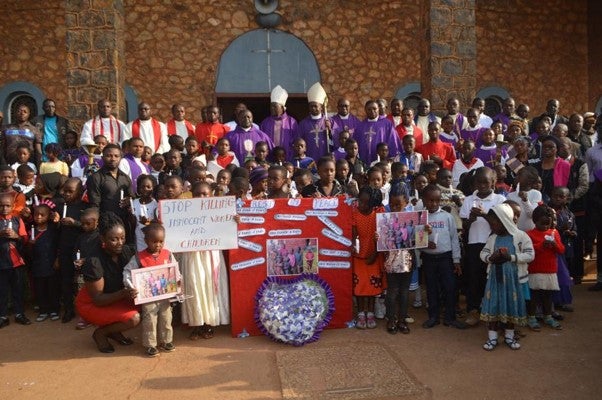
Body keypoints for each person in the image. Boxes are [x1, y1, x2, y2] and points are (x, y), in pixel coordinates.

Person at [75, 212, 140, 353]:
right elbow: (98, 299)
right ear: (102, 238)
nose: (120, 243)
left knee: (146, 302)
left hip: (115, 297)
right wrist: (124, 293)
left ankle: (114, 331)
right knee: (134, 318)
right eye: (114, 239)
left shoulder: (127, 251)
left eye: (122, 238)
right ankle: (101, 333)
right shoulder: (94, 261)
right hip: (92, 303)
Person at [479, 203, 534, 351]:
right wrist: (491, 258)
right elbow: (483, 253)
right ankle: (492, 338)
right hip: (495, 281)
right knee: (493, 308)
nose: (492, 226)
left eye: (494, 223)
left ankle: (509, 337)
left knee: (511, 307)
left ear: (505, 220)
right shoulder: (493, 238)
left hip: (513, 281)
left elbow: (530, 254)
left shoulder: (520, 236)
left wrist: (511, 257)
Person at [459, 167, 506, 326]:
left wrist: (484, 214)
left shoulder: (499, 200)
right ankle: (473, 310)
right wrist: (472, 218)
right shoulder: (468, 200)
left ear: (493, 182)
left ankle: (492, 311)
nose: (483, 184)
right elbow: (464, 226)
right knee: (474, 277)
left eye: (486, 181)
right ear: (474, 183)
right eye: (479, 181)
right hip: (474, 244)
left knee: (492, 277)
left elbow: (501, 225)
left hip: (493, 244)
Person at [123, 223, 177, 357]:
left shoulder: (167, 254)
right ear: (146, 241)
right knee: (150, 320)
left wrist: (178, 280)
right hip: (148, 297)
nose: (158, 245)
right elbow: (127, 272)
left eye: (161, 241)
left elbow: (175, 269)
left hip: (164, 295)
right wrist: (131, 286)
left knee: (166, 318)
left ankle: (166, 341)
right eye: (154, 241)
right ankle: (150, 345)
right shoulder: (139, 257)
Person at [419, 184, 465, 329]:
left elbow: (454, 239)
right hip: (428, 258)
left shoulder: (447, 217)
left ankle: (450, 317)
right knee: (432, 288)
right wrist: (425, 244)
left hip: (446, 257)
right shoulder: (420, 217)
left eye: (437, 201)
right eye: (430, 201)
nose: (433, 204)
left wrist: (456, 260)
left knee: (450, 287)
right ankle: (433, 317)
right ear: (424, 200)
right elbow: (416, 239)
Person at [526, 205, 565, 331]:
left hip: (550, 270)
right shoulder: (529, 234)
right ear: (534, 221)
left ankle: (547, 316)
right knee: (534, 296)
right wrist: (541, 245)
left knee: (547, 296)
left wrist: (554, 245)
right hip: (535, 270)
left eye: (548, 224)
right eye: (542, 223)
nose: (546, 227)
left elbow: (561, 250)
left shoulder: (554, 233)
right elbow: (529, 251)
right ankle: (531, 317)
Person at [87, 144, 135, 244]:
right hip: (105, 223)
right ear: (102, 157)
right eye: (109, 156)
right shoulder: (96, 178)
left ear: (121, 158)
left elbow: (132, 197)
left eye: (116, 156)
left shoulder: (125, 177)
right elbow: (94, 204)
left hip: (124, 223)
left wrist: (129, 200)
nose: (113, 159)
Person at [352, 186, 384, 329]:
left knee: (372, 286)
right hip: (358, 257)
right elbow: (353, 235)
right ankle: (360, 313)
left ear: (374, 204)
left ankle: (370, 312)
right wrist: (353, 245)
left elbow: (383, 237)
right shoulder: (354, 213)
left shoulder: (379, 214)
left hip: (374, 255)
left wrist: (374, 254)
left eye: (366, 203)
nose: (362, 205)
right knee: (359, 287)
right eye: (360, 201)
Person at [383, 183, 413, 334]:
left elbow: (417, 238)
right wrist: (379, 236)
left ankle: (402, 319)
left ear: (406, 202)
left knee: (404, 290)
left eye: (398, 205)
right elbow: (382, 237)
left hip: (407, 257)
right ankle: (391, 319)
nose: (394, 208)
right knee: (392, 289)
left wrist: (425, 231)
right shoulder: (384, 215)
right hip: (391, 257)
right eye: (392, 204)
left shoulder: (413, 215)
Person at [57, 178, 87, 323]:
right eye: (65, 190)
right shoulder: (60, 205)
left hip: (81, 249)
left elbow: (90, 226)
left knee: (83, 280)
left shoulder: (85, 207)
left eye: (70, 191)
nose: (66, 194)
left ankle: (87, 310)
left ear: (80, 191)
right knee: (66, 279)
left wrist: (75, 223)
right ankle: (69, 309)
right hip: (64, 249)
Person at [0, 192, 30, 328]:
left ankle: (19, 314)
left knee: (18, 289)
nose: (4, 208)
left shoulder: (18, 220)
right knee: (2, 291)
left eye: (7, 206)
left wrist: (16, 236)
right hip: (1, 263)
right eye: (1, 206)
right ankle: (3, 316)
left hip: (16, 261)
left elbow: (25, 239)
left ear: (13, 206)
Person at [28, 201, 61, 322]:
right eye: (36, 214)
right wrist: (30, 245)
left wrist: (58, 259)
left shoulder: (53, 230)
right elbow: (28, 253)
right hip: (38, 266)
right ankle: (43, 310)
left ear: (49, 216)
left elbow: (59, 245)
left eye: (42, 215)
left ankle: (54, 310)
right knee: (40, 289)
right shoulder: (32, 231)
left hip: (52, 265)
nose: (39, 217)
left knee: (53, 289)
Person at [296, 82, 338, 160]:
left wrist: (330, 130)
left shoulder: (329, 121)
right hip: (309, 159)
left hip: (326, 157)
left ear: (321, 107)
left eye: (315, 106)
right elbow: (299, 142)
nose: (313, 108)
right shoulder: (303, 124)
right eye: (311, 106)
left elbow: (338, 140)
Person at [260, 85, 298, 158]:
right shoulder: (265, 122)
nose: (272, 108)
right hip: (270, 158)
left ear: (282, 107)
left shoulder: (292, 122)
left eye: (275, 106)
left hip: (287, 158)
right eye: (271, 106)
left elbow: (295, 140)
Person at [533, 136, 570, 203]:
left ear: (557, 149)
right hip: (537, 201)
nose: (547, 149)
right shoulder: (536, 166)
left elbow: (569, 186)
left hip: (557, 202)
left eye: (551, 147)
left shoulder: (565, 165)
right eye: (544, 146)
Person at [131, 175, 158, 252]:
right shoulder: (134, 202)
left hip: (152, 239)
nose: (145, 189)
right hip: (139, 237)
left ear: (153, 188)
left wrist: (148, 223)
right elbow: (133, 223)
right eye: (142, 187)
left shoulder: (155, 204)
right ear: (138, 188)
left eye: (148, 187)